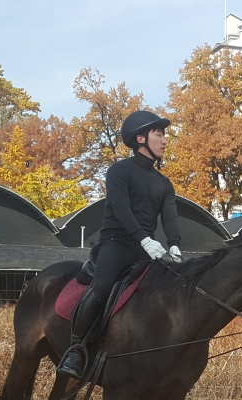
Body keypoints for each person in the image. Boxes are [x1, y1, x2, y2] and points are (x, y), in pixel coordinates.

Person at [56, 110, 183, 379]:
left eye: (164, 135)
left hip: (148, 249)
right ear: (141, 138)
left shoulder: (164, 183)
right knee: (102, 288)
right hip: (117, 242)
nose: (164, 140)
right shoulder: (119, 171)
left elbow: (170, 218)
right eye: (159, 134)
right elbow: (123, 210)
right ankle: (76, 349)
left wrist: (174, 246)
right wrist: (144, 239)